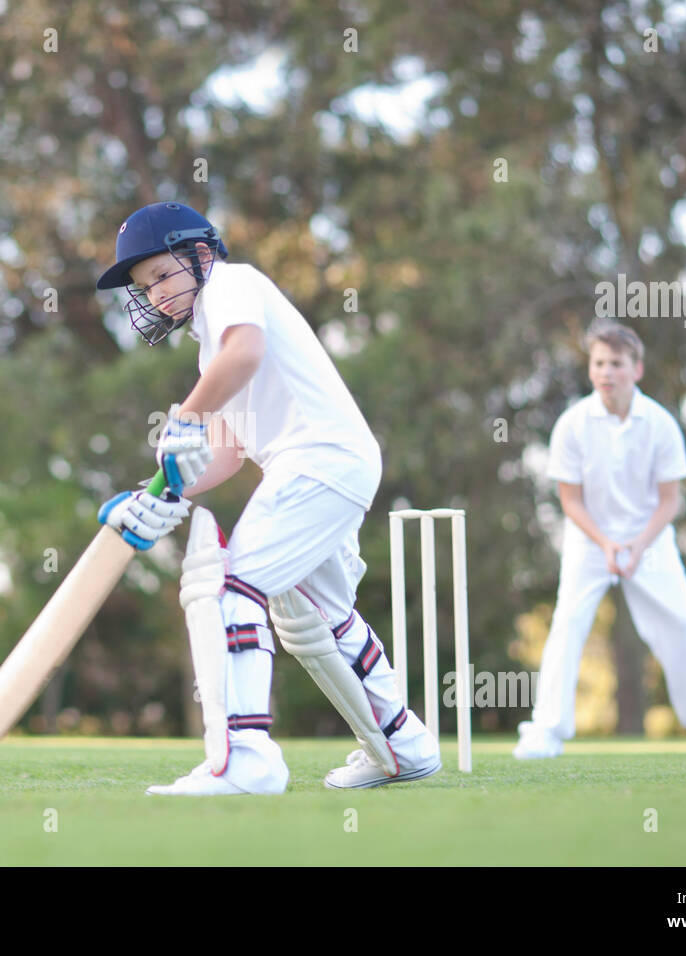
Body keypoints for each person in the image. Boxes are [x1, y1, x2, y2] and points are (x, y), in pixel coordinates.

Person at [94, 200, 442, 794]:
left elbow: (246, 353)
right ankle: (402, 743)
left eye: (159, 276)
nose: (153, 295)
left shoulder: (231, 285)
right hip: (323, 462)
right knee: (315, 618)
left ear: (199, 255)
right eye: (142, 287)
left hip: (318, 460)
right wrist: (159, 494)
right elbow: (229, 450)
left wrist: (182, 419)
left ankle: (246, 758)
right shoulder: (212, 343)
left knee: (233, 588)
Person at [514, 322, 686, 758]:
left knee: (683, 625)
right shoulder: (572, 424)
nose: (606, 372)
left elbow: (669, 501)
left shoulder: (660, 424)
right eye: (599, 363)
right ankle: (544, 732)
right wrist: (605, 545)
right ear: (590, 370)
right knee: (567, 625)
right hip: (589, 540)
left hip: (651, 539)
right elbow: (571, 501)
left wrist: (637, 546)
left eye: (616, 364)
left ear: (636, 369)